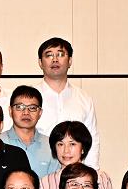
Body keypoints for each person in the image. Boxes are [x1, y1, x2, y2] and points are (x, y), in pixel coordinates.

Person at [34, 37, 99, 168]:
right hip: (38, 168)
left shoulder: (83, 98)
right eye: (49, 55)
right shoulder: (30, 99)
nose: (55, 59)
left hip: (74, 172)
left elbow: (92, 138)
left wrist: (92, 171)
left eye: (60, 54)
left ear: (69, 61)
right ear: (40, 62)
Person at [37, 121, 115, 189]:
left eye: (72, 144)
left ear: (83, 148)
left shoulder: (101, 178)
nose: (66, 150)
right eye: (60, 144)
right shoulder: (44, 183)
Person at [1, 85, 58, 177]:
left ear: (40, 113)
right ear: (10, 111)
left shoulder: (51, 145)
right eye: (20, 107)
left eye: (32, 108)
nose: (26, 112)